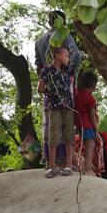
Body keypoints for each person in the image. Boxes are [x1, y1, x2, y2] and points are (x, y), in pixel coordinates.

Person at [35, 11, 82, 166]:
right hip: (64, 86)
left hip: (49, 88)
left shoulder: (40, 41)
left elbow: (38, 65)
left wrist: (47, 80)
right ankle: (66, 161)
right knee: (66, 122)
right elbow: (77, 55)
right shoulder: (65, 36)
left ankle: (50, 160)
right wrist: (67, 74)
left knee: (50, 122)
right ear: (62, 21)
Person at [37, 45, 76, 177]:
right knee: (54, 135)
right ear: (58, 55)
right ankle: (52, 166)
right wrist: (49, 89)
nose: (68, 58)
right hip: (54, 107)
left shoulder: (67, 71)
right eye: (66, 56)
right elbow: (40, 88)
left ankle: (69, 165)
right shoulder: (47, 70)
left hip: (68, 107)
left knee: (69, 136)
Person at [74, 70, 100, 176]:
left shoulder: (76, 95)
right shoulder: (91, 98)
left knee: (82, 147)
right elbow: (92, 116)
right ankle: (87, 168)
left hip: (78, 125)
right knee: (90, 146)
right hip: (88, 126)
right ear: (93, 86)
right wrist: (96, 129)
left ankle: (82, 166)